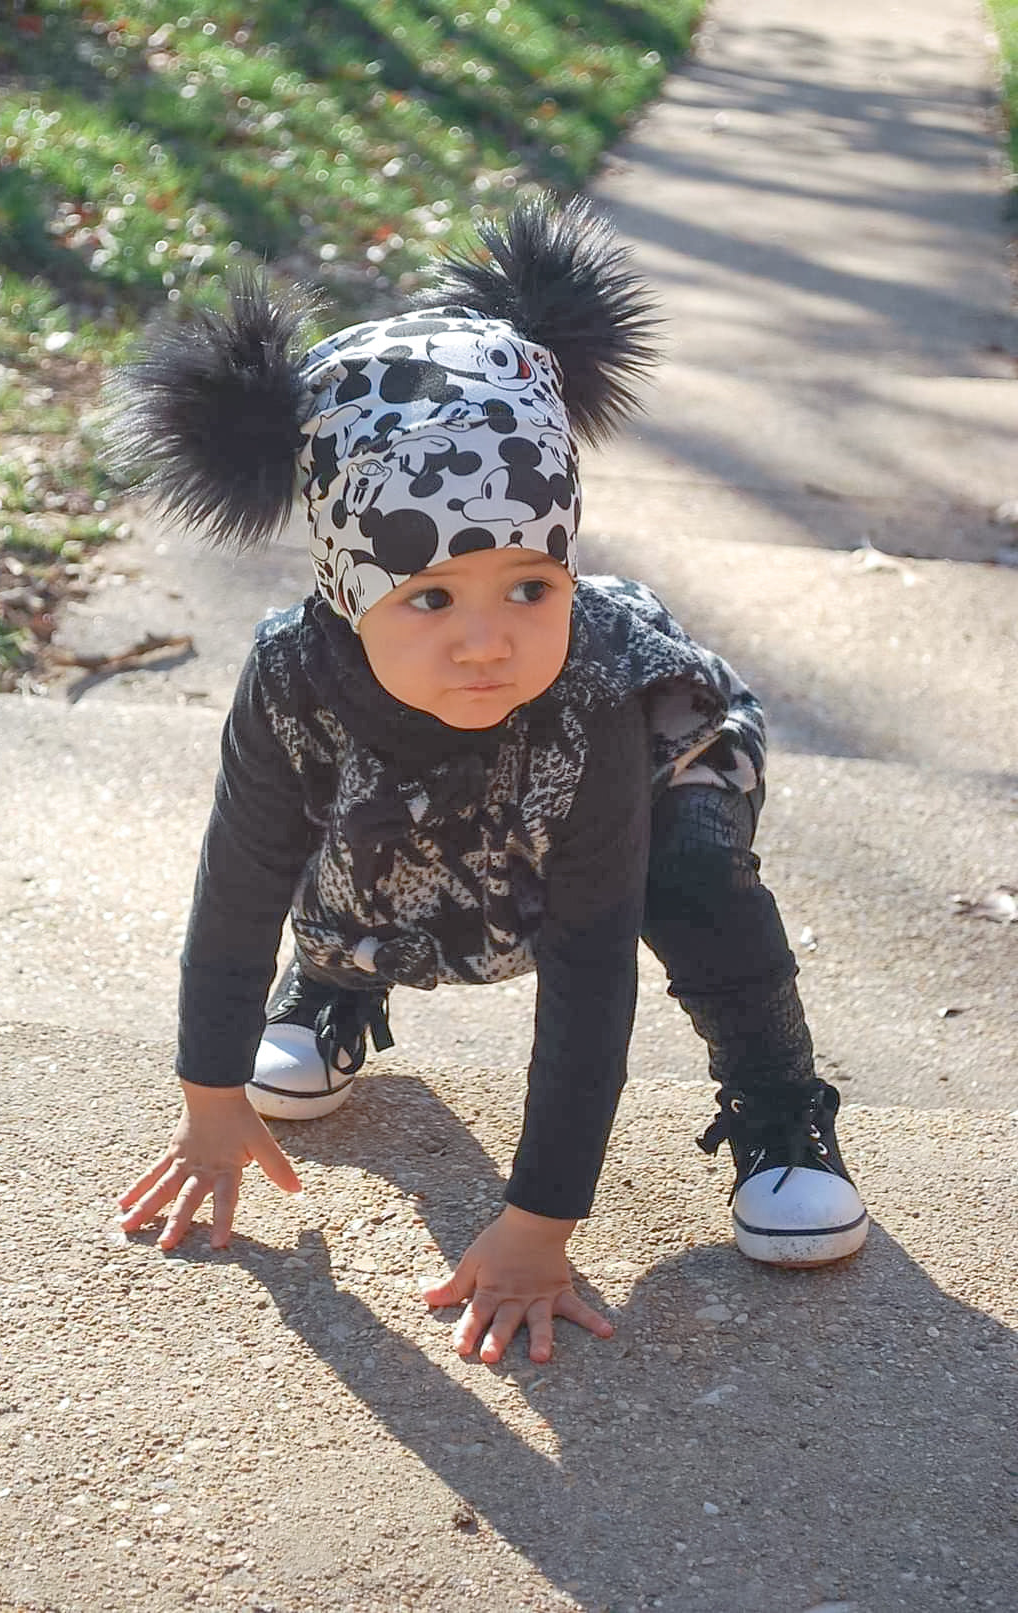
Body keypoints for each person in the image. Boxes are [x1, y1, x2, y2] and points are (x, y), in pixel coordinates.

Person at [112, 195, 867, 1366]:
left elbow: (589, 959)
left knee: (698, 879)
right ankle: (330, 990)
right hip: (412, 800)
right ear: (349, 589)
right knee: (344, 817)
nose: (488, 639)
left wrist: (536, 1223)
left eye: (530, 584)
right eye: (428, 596)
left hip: (651, 787)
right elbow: (238, 885)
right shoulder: (290, 680)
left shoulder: (591, 696)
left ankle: (781, 1107)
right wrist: (209, 1093)